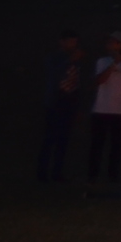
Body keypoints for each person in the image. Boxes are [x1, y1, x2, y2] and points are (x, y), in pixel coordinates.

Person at [85, 32, 121, 184]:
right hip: (101, 109)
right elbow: (100, 80)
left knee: (117, 145)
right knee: (97, 144)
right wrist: (113, 64)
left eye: (113, 43)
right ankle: (93, 174)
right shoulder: (102, 61)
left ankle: (113, 174)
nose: (109, 46)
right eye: (108, 43)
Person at [38, 31, 85, 182]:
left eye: (75, 42)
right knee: (49, 139)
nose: (73, 45)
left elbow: (76, 83)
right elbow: (54, 75)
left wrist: (77, 106)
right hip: (55, 102)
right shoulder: (54, 58)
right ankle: (42, 173)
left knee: (63, 140)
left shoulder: (77, 61)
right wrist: (69, 60)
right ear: (62, 42)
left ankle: (57, 172)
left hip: (69, 103)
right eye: (70, 42)